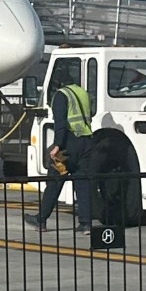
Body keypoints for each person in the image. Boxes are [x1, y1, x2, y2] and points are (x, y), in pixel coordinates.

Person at [34, 76, 95, 229]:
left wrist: (57, 146)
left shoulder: (61, 95)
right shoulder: (83, 93)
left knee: (55, 181)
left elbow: (60, 123)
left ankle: (41, 220)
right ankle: (85, 223)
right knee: (82, 184)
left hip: (67, 146)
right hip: (86, 142)